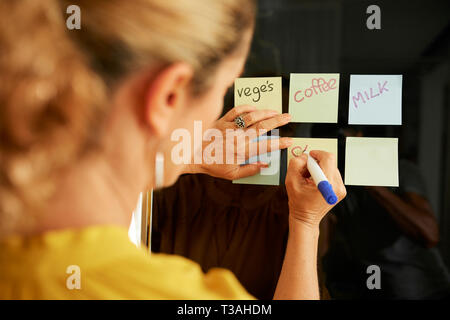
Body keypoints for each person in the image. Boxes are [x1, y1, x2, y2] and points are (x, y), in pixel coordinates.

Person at [0, 0, 346, 299]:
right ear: (169, 94)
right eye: (224, 89)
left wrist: (187, 151)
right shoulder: (171, 294)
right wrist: (306, 223)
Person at [322, 128, 450, 299]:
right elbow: (323, 247)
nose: (343, 145)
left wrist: (375, 187)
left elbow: (430, 234)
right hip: (375, 286)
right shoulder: (337, 182)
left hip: (424, 289)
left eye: (347, 139)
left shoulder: (401, 170)